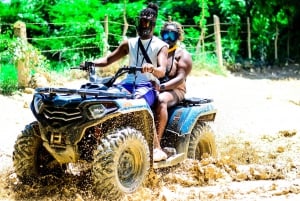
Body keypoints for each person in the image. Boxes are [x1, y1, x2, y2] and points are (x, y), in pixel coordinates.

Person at [82, 2, 168, 107]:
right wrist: (91, 63)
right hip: (127, 84)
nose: (142, 25)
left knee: (135, 105)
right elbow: (108, 60)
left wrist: (152, 69)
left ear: (153, 25)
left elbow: (162, 71)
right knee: (105, 99)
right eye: (140, 21)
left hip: (147, 86)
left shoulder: (161, 46)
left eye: (145, 22)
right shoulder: (129, 43)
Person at [153, 21, 193, 161]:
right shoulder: (156, 51)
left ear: (178, 36)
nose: (168, 38)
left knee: (161, 100)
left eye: (172, 34)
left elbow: (180, 79)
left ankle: (156, 146)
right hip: (155, 87)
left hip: (175, 90)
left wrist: (161, 87)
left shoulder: (182, 55)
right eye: (165, 34)